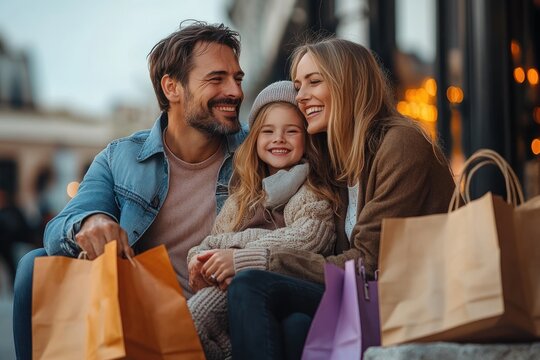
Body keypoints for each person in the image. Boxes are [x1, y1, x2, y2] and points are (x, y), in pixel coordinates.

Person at [12, 21, 246, 360]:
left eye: (237, 78)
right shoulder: (119, 157)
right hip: (136, 325)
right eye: (217, 78)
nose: (235, 91)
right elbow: (61, 226)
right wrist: (91, 222)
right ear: (172, 88)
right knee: (32, 265)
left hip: (218, 325)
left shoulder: (258, 153)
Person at [226, 38, 457, 359]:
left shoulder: (401, 144)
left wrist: (263, 260)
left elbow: (370, 263)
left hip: (410, 299)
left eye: (314, 82)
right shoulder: (338, 162)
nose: (301, 97)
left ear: (350, 83)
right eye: (297, 85)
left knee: (250, 285)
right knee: (294, 327)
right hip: (364, 295)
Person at [186, 80, 338, 359]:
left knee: (198, 317)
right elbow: (209, 243)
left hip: (289, 284)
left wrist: (234, 255)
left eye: (291, 131)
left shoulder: (310, 189)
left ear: (307, 138)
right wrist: (200, 261)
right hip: (236, 288)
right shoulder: (243, 196)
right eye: (268, 131)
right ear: (254, 139)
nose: (278, 139)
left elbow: (310, 237)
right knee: (190, 323)